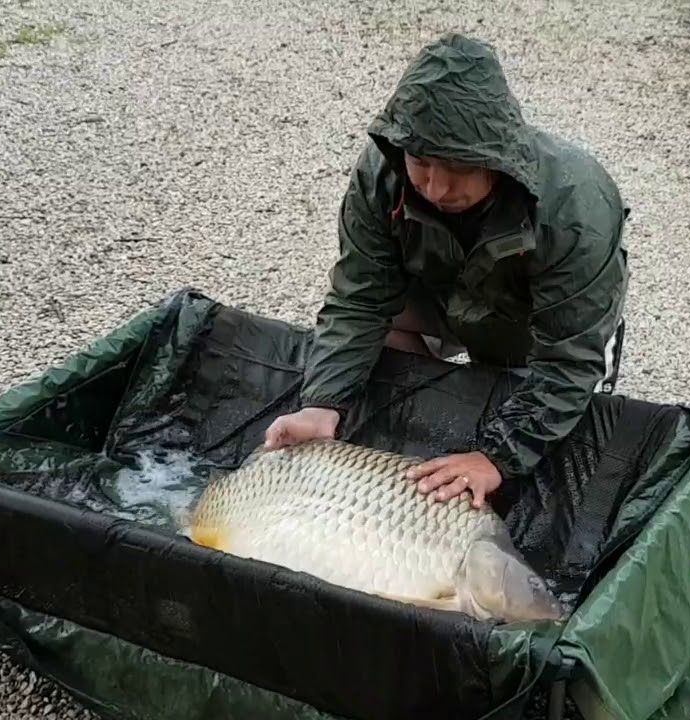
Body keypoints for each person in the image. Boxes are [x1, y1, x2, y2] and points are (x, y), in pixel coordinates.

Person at [264, 33, 629, 509]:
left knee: (532, 406)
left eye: (456, 166)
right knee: (381, 343)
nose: (436, 186)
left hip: (527, 321)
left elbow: (569, 358)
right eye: (420, 162)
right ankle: (421, 415)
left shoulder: (576, 205)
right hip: (437, 294)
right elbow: (360, 298)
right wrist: (322, 402)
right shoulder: (383, 172)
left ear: (494, 156)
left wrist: (497, 459)